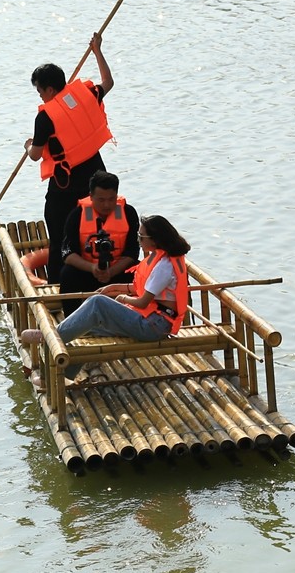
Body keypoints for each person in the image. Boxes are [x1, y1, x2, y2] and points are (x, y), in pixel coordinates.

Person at [25, 34, 114, 290]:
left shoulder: (45, 118)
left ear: (50, 89)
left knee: (59, 237)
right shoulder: (87, 95)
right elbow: (108, 81)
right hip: (97, 180)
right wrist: (97, 51)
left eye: (40, 91)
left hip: (65, 187)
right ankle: (98, 280)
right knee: (97, 232)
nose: (40, 96)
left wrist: (28, 144)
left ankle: (57, 289)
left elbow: (35, 154)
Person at [55, 214, 193, 350]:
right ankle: (68, 368)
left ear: (154, 240)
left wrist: (121, 298)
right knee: (90, 326)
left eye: (141, 237)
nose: (138, 240)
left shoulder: (164, 266)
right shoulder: (161, 258)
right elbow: (141, 289)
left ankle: (52, 339)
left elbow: (143, 302)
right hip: (153, 321)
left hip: (154, 326)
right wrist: (112, 287)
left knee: (97, 302)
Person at [56, 170, 140, 315]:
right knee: (67, 274)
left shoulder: (128, 213)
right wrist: (93, 268)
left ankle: (136, 315)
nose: (107, 205)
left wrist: (111, 271)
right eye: (101, 200)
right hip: (88, 271)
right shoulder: (77, 215)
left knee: (140, 271)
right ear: (91, 196)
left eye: (111, 199)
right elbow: (67, 253)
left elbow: (132, 252)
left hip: (117, 271)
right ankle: (72, 319)